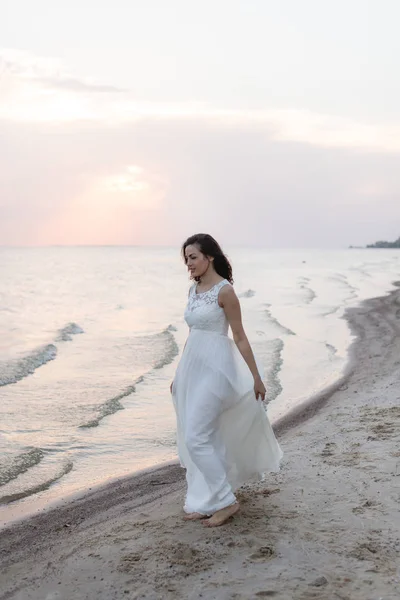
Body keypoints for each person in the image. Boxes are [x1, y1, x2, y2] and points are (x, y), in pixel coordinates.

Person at [170, 233, 283, 527]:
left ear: (210, 257)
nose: (189, 264)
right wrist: (178, 374)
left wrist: (257, 377)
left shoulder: (225, 292)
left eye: (193, 257)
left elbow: (240, 337)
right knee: (205, 435)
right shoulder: (193, 292)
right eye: (186, 259)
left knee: (196, 437)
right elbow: (192, 335)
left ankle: (225, 501)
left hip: (217, 370)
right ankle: (207, 500)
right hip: (192, 369)